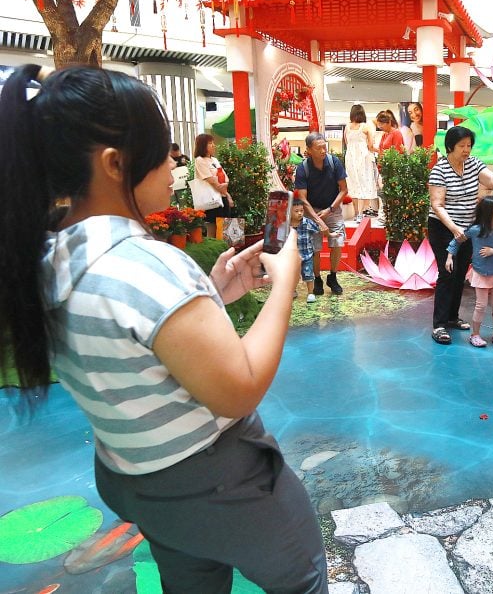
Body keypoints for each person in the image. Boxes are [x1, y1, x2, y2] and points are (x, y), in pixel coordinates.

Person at [0, 65, 328, 593]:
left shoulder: (45, 259)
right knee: (303, 578)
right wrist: (286, 281)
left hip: (136, 480)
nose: (175, 165)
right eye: (165, 151)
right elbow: (239, 388)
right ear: (115, 164)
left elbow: (126, 338)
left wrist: (209, 298)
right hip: (218, 484)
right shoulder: (145, 265)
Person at [428, 126, 493, 345]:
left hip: (468, 229)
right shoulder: (439, 170)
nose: (466, 150)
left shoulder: (474, 164)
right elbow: (437, 204)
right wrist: (454, 229)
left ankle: (452, 317)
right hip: (443, 228)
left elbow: (492, 181)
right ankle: (439, 325)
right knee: (447, 272)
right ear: (450, 146)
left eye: (469, 145)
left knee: (460, 273)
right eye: (462, 146)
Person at [446, 196, 493, 348]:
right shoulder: (475, 230)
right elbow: (457, 239)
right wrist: (450, 256)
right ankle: (475, 335)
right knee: (480, 305)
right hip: (480, 273)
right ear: (488, 214)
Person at [295, 133, 348, 296]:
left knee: (337, 242)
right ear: (309, 150)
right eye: (319, 148)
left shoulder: (334, 162)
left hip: (333, 209)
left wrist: (330, 209)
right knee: (315, 247)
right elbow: (302, 199)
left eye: (324, 146)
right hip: (312, 210)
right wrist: (318, 219)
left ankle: (332, 276)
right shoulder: (303, 168)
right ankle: (317, 278)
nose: (323, 150)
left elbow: (344, 189)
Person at [291, 194, 333, 304]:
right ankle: (292, 291)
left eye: (301, 210)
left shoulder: (307, 222)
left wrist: (331, 234)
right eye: (296, 211)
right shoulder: (287, 226)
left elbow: (320, 229)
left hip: (307, 255)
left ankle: (310, 293)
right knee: (293, 275)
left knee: (309, 275)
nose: (300, 213)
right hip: (292, 257)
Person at [193, 133, 234, 238]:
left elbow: (224, 177)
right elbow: (211, 180)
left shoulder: (214, 160)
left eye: (213, 143)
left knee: (225, 229)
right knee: (212, 229)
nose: (213, 145)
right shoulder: (199, 160)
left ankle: (227, 251)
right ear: (203, 146)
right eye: (210, 143)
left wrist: (227, 194)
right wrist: (222, 187)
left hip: (222, 197)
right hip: (211, 199)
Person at [344, 104, 379, 217]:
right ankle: (364, 210)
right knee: (366, 181)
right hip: (364, 158)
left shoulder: (347, 127)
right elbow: (370, 145)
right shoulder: (366, 127)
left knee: (353, 183)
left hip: (350, 158)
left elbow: (346, 142)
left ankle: (356, 213)